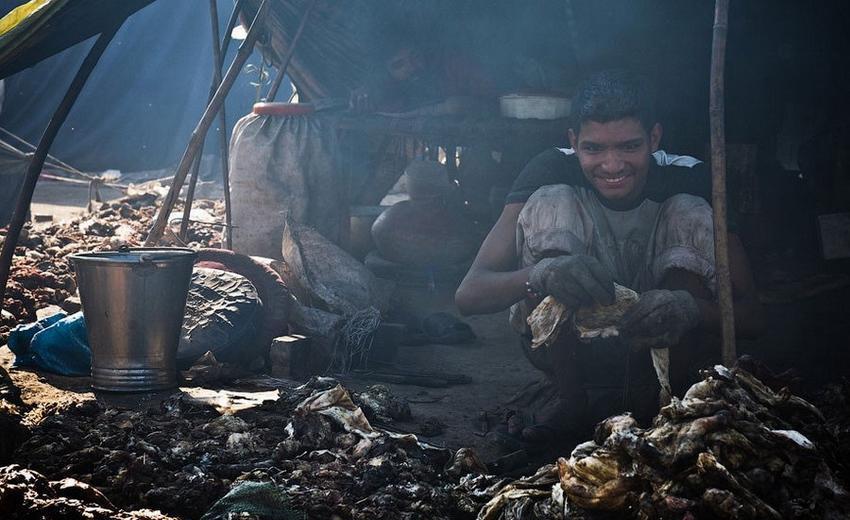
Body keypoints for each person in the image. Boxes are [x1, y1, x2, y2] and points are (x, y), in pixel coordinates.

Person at [455, 69, 764, 442]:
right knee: (552, 200)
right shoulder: (550, 169)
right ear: (574, 140)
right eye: (594, 149)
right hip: (573, 355)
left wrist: (689, 307)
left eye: (629, 147)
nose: (613, 165)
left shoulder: (690, 178)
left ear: (654, 137)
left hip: (667, 348)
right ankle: (572, 404)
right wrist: (543, 272)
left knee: (689, 209)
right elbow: (469, 295)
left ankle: (656, 400)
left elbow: (751, 317)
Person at [349, 31, 497, 117]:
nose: (411, 67)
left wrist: (466, 105)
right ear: (389, 72)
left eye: (415, 57)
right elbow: (379, 98)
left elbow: (497, 102)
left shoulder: (456, 64)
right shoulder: (395, 86)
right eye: (399, 65)